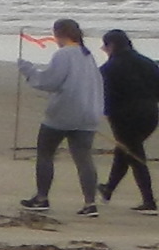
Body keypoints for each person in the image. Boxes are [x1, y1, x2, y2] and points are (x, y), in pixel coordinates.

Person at [17, 18, 104, 214]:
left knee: (46, 153)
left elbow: (49, 82)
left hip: (63, 113)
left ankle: (42, 198)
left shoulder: (64, 54)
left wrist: (28, 70)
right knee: (84, 158)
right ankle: (90, 203)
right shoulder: (87, 54)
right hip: (88, 113)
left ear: (59, 34)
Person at [103, 27, 159, 212]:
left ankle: (149, 202)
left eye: (105, 46)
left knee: (134, 155)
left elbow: (101, 92)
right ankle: (108, 189)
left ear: (111, 46)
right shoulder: (148, 63)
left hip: (124, 117)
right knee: (124, 152)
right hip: (151, 115)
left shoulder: (110, 68)